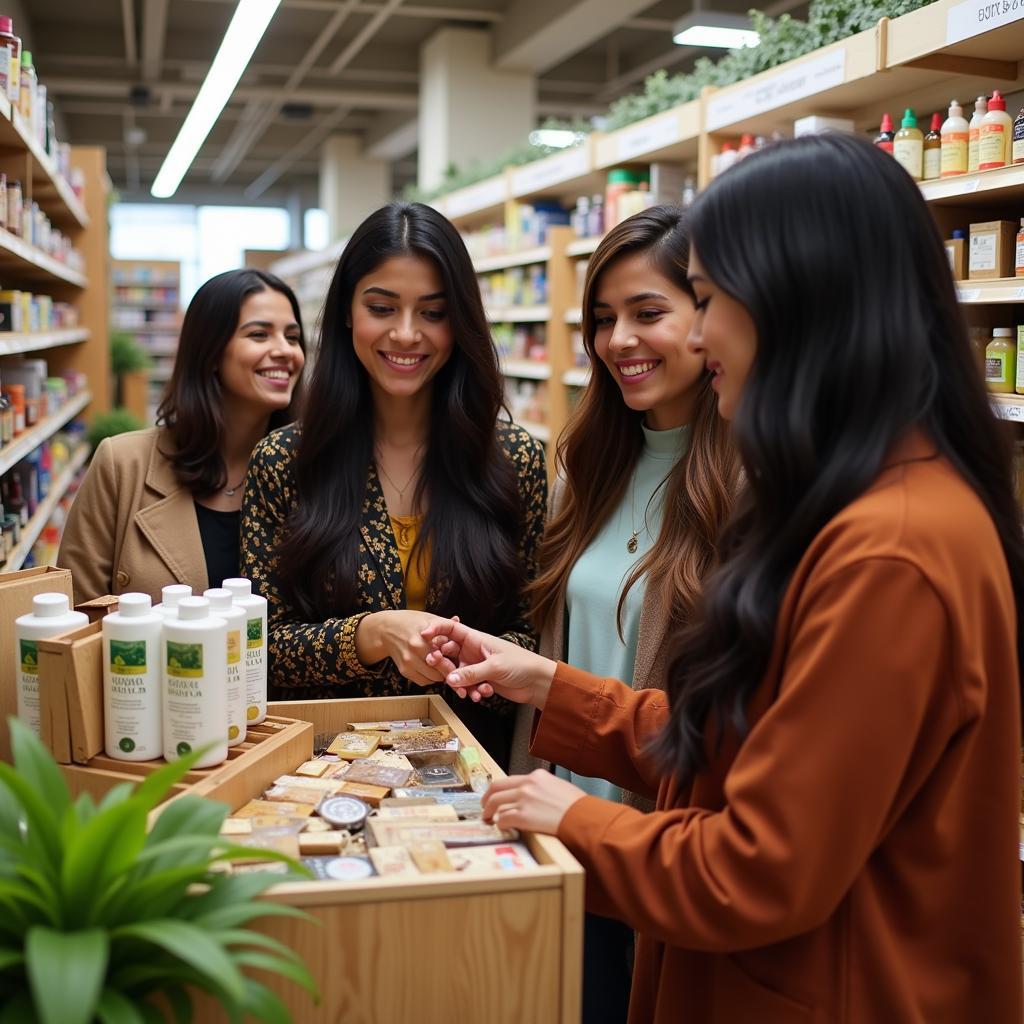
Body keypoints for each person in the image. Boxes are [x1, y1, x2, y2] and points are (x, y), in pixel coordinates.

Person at [423, 133, 1024, 1022]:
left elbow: (761, 867)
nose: (697, 336)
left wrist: (579, 820)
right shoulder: (852, 506)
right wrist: (554, 686)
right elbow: (751, 744)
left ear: (797, 299)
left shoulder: (888, 553)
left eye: (704, 299)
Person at [519, 206, 737, 1023]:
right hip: (562, 839)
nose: (619, 342)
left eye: (648, 313)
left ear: (710, 317)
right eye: (603, 320)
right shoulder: (585, 470)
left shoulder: (749, 490)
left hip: (660, 853)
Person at [240, 201, 546, 769]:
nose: (406, 334)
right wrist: (372, 634)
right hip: (321, 773)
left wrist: (473, 655)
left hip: (470, 771)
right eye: (382, 307)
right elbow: (259, 651)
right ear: (348, 314)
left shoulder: (514, 460)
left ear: (461, 322)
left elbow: (529, 633)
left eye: (433, 313)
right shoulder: (285, 462)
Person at [59, 269, 306, 603]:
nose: (285, 351)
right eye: (259, 334)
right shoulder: (122, 465)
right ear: (211, 351)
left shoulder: (316, 469)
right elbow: (76, 619)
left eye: (292, 337)